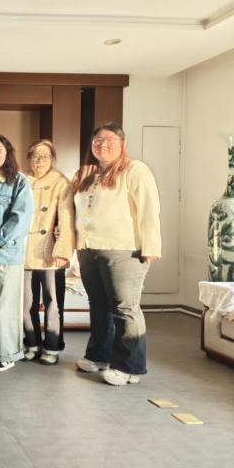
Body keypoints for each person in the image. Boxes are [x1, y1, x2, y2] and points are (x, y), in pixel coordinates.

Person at [72, 122, 161, 386]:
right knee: (98, 305)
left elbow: (149, 210)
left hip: (123, 250)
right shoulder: (89, 174)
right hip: (88, 248)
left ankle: (129, 366)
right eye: (97, 141)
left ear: (122, 144)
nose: (102, 145)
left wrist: (151, 247)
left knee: (125, 308)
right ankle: (98, 355)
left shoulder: (135, 170)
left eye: (109, 140)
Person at [0, 134, 33, 372]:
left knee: (5, 306)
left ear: (8, 152)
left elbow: (20, 217)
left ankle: (7, 353)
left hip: (6, 254)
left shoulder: (18, 181)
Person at [22, 139, 75, 365]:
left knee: (53, 301)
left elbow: (67, 217)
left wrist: (63, 249)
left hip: (50, 250)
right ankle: (31, 342)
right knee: (26, 302)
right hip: (25, 250)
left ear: (52, 159)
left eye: (45, 156)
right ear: (29, 159)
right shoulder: (21, 180)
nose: (39, 160)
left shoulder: (61, 182)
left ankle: (52, 345)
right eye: (35, 156)